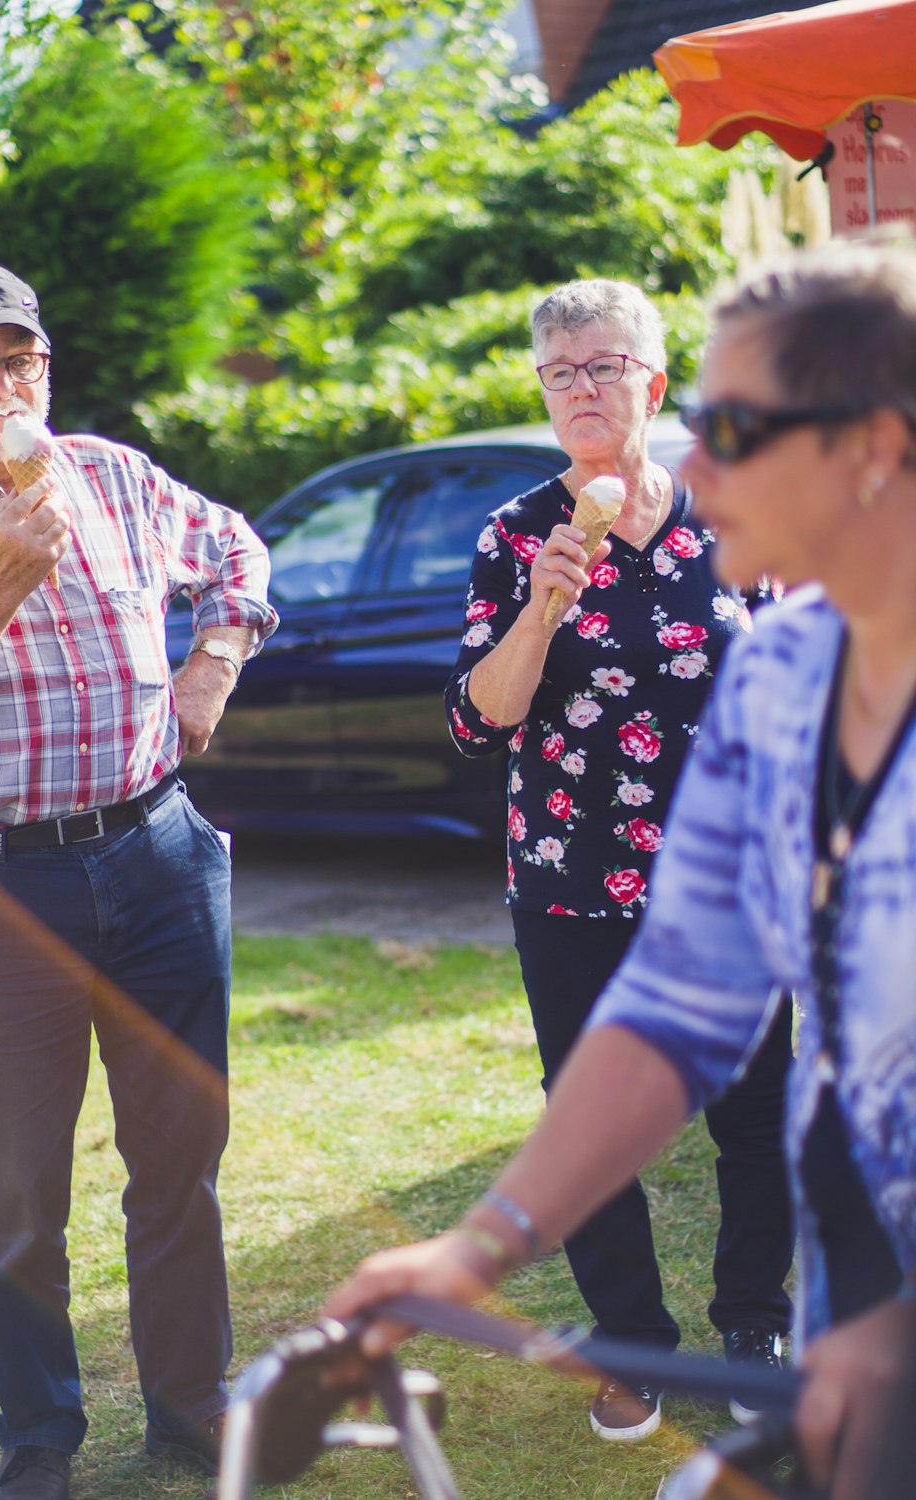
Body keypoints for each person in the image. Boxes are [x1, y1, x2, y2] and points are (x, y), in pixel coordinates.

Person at [324, 239, 916, 1500]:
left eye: (737, 423)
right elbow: (680, 1004)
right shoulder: (780, 670)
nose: (693, 462)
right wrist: (476, 1245)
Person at [0, 263, 278, 1500]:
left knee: (181, 1155)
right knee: (21, 1189)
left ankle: (191, 1407)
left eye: (22, 360)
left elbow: (236, 547)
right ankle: (37, 1440)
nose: (4, 385)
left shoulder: (115, 476)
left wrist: (212, 667)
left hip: (160, 853)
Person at [442, 278, 793, 1439]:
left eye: (600, 367)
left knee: (755, 1110)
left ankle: (753, 1325)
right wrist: (541, 609)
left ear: (652, 382)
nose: (579, 390)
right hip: (573, 876)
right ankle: (633, 1346)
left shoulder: (735, 512)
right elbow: (478, 721)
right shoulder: (512, 537)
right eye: (558, 374)